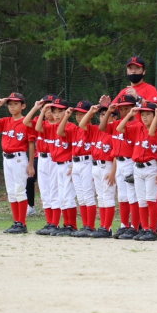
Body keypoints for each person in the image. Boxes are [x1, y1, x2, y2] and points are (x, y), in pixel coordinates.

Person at [0, 92, 35, 234]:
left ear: (23, 106)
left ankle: (22, 223)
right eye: (10, 104)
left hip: (19, 159)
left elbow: (31, 144)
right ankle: (16, 222)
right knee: (11, 192)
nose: (12, 107)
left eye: (16, 104)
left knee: (20, 190)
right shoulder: (6, 121)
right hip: (6, 159)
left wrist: (31, 164)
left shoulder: (27, 122)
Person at [117, 101, 157, 241]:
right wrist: (129, 115)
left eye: (148, 114)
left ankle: (153, 230)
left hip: (150, 168)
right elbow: (120, 129)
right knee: (141, 201)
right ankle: (144, 228)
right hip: (137, 168)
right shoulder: (138, 129)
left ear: (154, 114)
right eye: (142, 114)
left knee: (150, 200)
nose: (144, 117)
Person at [35, 98, 78, 236]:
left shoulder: (71, 127)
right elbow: (38, 128)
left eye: (61, 111)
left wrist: (74, 164)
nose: (57, 114)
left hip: (67, 164)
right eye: (55, 112)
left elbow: (73, 145)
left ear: (67, 111)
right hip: (57, 163)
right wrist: (43, 111)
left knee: (67, 196)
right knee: (60, 195)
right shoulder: (51, 126)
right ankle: (62, 224)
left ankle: (70, 225)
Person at [99, 95, 139, 239]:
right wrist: (109, 112)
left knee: (132, 196)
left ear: (134, 108)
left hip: (130, 162)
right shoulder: (117, 123)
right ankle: (124, 225)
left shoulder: (137, 125)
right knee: (122, 196)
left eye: (127, 108)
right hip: (120, 162)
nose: (123, 111)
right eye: (121, 108)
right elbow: (102, 127)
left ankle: (135, 226)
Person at [79, 104, 118, 238]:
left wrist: (113, 172)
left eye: (107, 114)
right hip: (95, 166)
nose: (104, 117)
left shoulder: (114, 132)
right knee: (101, 198)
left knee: (108, 197)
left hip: (107, 166)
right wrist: (90, 111)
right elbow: (82, 124)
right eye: (101, 115)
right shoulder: (95, 130)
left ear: (115, 118)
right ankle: (102, 226)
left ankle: (107, 228)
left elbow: (116, 155)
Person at [23, 94, 59, 234]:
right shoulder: (39, 120)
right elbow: (26, 122)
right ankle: (49, 223)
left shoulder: (58, 122)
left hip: (54, 159)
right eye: (46, 107)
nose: (48, 110)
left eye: (51, 107)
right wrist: (37, 108)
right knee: (45, 192)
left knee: (54, 191)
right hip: (42, 158)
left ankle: (55, 223)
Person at [61, 101, 96, 236]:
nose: (79, 116)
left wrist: (90, 113)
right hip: (76, 163)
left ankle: (90, 226)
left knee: (88, 196)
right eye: (78, 114)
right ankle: (85, 225)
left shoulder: (91, 129)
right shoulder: (75, 130)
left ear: (90, 115)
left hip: (87, 162)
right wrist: (66, 117)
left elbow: (84, 125)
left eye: (82, 113)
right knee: (81, 197)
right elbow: (60, 131)